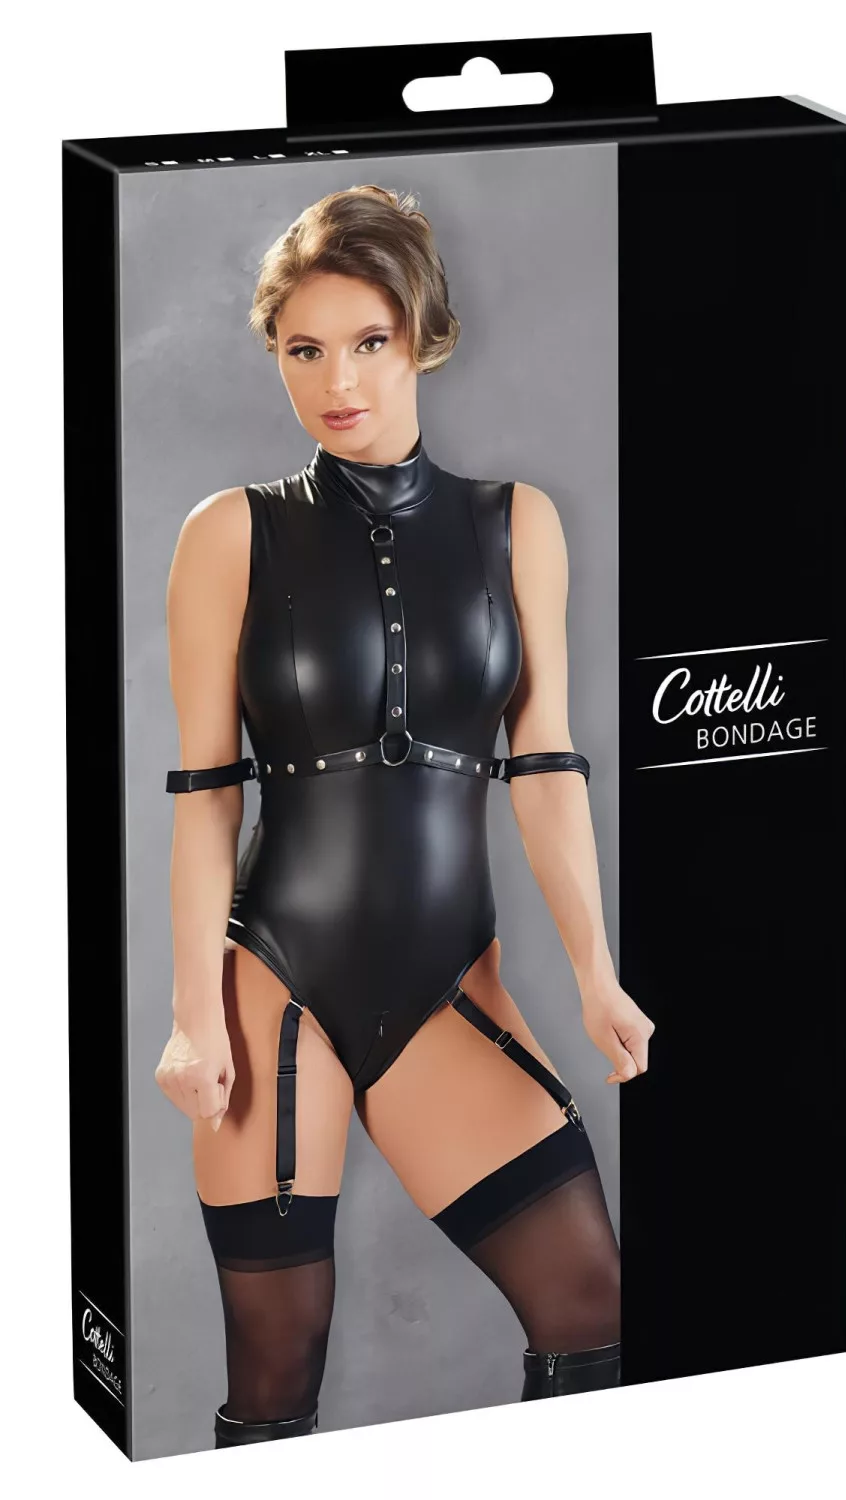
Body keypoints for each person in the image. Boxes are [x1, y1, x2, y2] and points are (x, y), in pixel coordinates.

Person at [155, 184, 655, 1448]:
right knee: (276, 1381)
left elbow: (543, 765)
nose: (337, 382)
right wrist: (192, 1015)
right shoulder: (229, 536)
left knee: (591, 1305)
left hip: (447, 986)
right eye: (303, 350)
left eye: (367, 342)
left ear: (421, 334)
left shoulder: (515, 525)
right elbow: (207, 798)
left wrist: (593, 973)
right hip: (277, 988)